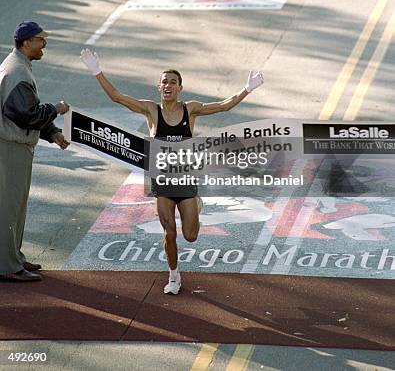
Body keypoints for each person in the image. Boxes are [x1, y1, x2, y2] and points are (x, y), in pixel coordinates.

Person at [80, 48, 264, 294]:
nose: (168, 85)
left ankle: (196, 204)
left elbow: (223, 106)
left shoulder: (191, 109)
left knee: (190, 236)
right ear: (159, 87)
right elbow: (117, 97)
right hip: (162, 181)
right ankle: (174, 275)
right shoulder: (150, 110)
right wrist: (97, 71)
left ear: (180, 88)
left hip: (186, 180)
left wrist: (247, 88)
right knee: (169, 232)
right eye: (164, 81)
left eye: (173, 82)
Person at [0, 21, 70, 283]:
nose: (45, 44)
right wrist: (56, 109)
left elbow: (26, 110)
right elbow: (26, 114)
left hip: (14, 145)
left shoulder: (18, 65)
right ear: (27, 42)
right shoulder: (17, 71)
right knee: (9, 207)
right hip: (10, 147)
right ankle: (7, 265)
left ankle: (12, 257)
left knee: (15, 206)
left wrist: (52, 133)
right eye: (41, 40)